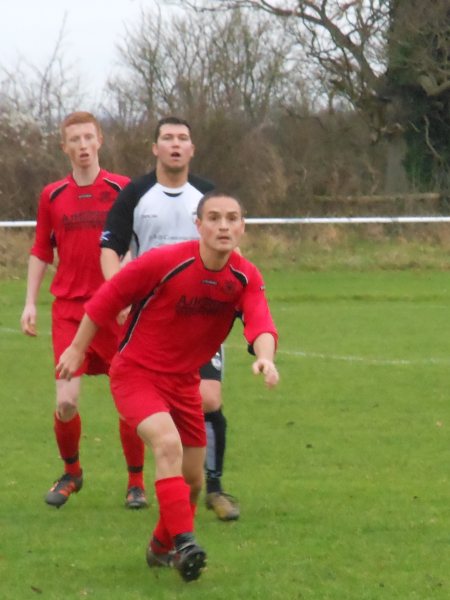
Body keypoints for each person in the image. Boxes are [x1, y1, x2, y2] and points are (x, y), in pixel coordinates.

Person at [56, 192, 279, 582]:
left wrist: (266, 356)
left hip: (184, 382)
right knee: (167, 444)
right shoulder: (165, 261)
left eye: (232, 218)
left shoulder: (245, 276)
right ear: (199, 226)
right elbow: (106, 299)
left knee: (192, 483)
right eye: (214, 218)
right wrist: (77, 349)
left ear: (243, 227)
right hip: (136, 373)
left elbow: (260, 321)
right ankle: (185, 544)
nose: (223, 225)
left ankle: (160, 547)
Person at [100, 116, 240, 520]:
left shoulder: (208, 195)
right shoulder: (135, 194)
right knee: (154, 406)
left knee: (209, 397)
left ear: (192, 149)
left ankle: (212, 487)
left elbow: (234, 249)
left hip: (202, 316)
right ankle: (171, 486)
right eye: (167, 138)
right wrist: (118, 292)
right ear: (155, 148)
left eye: (183, 138)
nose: (175, 144)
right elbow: (111, 247)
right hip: (152, 322)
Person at [19, 111, 140, 508]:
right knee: (66, 401)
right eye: (75, 139)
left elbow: (137, 244)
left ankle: (135, 482)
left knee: (128, 399)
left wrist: (128, 292)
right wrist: (30, 303)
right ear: (64, 146)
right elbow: (41, 249)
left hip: (115, 311)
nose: (83, 145)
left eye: (89, 137)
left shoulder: (123, 189)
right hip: (70, 311)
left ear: (100, 140)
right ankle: (72, 473)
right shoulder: (52, 195)